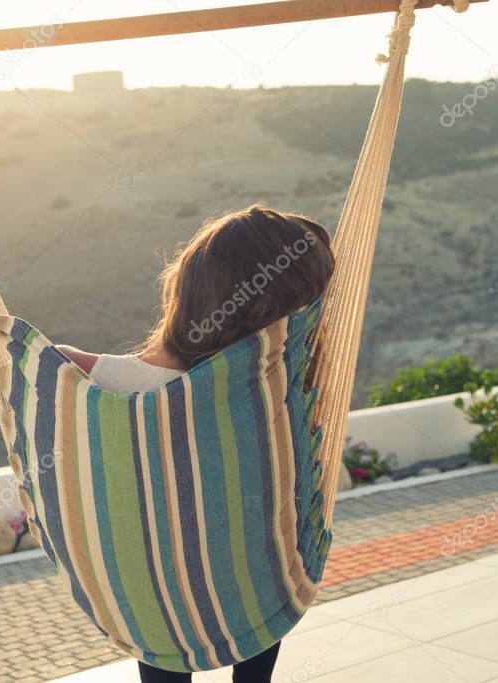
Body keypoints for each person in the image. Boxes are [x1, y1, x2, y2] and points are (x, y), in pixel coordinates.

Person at [58, 204, 335, 682]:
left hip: (151, 601)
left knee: (160, 599)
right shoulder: (270, 391)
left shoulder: (114, 382)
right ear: (278, 315)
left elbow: (55, 363)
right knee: (266, 558)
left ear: (186, 290)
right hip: (256, 592)